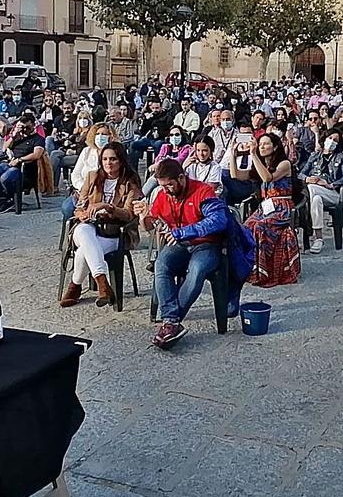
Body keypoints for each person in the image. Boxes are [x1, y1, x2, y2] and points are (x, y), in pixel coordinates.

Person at [132, 158, 227, 348]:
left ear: (182, 178)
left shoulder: (203, 191)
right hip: (179, 245)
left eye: (169, 185)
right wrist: (143, 217)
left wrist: (182, 232)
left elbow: (218, 221)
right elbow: (151, 225)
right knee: (162, 263)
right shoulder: (162, 194)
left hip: (206, 245)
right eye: (162, 186)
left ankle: (170, 322)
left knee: (197, 269)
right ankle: (172, 321)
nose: (166, 190)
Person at [60, 142, 143, 307]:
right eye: (104, 159)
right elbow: (78, 207)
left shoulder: (130, 182)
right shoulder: (92, 176)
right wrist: (83, 214)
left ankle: (75, 286)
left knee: (84, 251)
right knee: (83, 230)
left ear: (121, 161)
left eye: (113, 159)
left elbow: (128, 214)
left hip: (114, 232)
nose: (108, 163)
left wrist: (108, 207)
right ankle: (103, 284)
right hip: (89, 227)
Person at [232, 133, 300, 287]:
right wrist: (233, 154)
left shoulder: (284, 164)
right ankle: (248, 268)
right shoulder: (261, 165)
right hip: (266, 207)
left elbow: (267, 178)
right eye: (260, 144)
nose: (261, 146)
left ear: (275, 147)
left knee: (260, 227)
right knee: (245, 227)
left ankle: (263, 271)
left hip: (282, 207)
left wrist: (253, 154)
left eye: (265, 144)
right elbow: (235, 175)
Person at [298, 129, 343, 254]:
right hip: (315, 194)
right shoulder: (314, 156)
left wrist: (330, 184)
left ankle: (308, 225)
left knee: (311, 189)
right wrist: (307, 178)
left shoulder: (341, 157)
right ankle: (318, 238)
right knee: (316, 198)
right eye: (330, 138)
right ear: (325, 139)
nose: (332, 142)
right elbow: (300, 174)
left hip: (331, 193)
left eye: (335, 140)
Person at [0, 114, 46, 214]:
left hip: (24, 168)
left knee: (4, 178)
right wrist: (13, 137)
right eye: (22, 127)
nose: (25, 130)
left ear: (33, 126)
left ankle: (10, 200)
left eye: (28, 127)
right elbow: (4, 149)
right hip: (9, 163)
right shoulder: (17, 137)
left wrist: (20, 160)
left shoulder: (38, 139)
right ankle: (6, 200)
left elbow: (37, 154)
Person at [143, 125, 192, 196]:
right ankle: (141, 198)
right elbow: (158, 159)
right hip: (161, 174)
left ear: (182, 136)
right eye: (171, 135)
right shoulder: (165, 147)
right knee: (151, 181)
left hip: (174, 175)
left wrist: (161, 163)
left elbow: (178, 160)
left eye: (177, 134)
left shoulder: (186, 148)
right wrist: (158, 164)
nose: (174, 137)